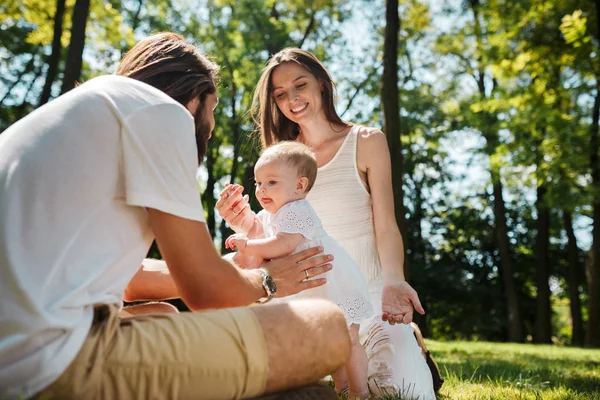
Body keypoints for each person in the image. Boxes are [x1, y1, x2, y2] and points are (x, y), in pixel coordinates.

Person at [0, 34, 351, 400]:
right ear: (194, 97)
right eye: (212, 107)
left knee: (163, 313)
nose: (211, 126)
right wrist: (267, 280)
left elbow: (131, 281)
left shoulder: (86, 111)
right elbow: (206, 292)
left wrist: (232, 265)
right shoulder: (163, 112)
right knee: (326, 325)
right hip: (47, 366)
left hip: (13, 345)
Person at [217, 47, 437, 399]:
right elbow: (273, 237)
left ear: (322, 84)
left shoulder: (365, 142)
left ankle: (408, 342)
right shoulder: (281, 158)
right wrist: (243, 223)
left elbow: (386, 225)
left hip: (367, 299)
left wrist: (395, 281)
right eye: (280, 94)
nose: (292, 98)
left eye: (299, 85)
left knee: (405, 391)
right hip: (308, 306)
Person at [225, 142, 373, 399]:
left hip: (334, 285)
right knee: (329, 343)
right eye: (258, 183)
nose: (261, 190)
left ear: (299, 186)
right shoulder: (275, 212)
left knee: (348, 339)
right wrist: (242, 215)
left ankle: (360, 390)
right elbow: (255, 224)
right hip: (317, 287)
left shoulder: (296, 210)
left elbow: (282, 244)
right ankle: (342, 386)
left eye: (272, 182)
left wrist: (248, 246)